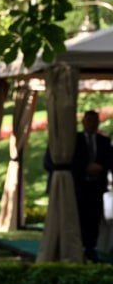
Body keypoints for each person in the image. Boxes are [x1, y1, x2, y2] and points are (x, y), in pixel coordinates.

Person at [47, 109, 113, 262]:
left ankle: (91, 248)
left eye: (95, 121)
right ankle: (79, 247)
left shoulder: (104, 141)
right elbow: (71, 160)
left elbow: (110, 159)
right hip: (78, 186)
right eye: (89, 121)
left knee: (94, 218)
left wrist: (101, 167)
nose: (92, 124)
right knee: (79, 217)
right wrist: (85, 168)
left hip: (96, 187)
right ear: (83, 122)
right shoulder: (75, 140)